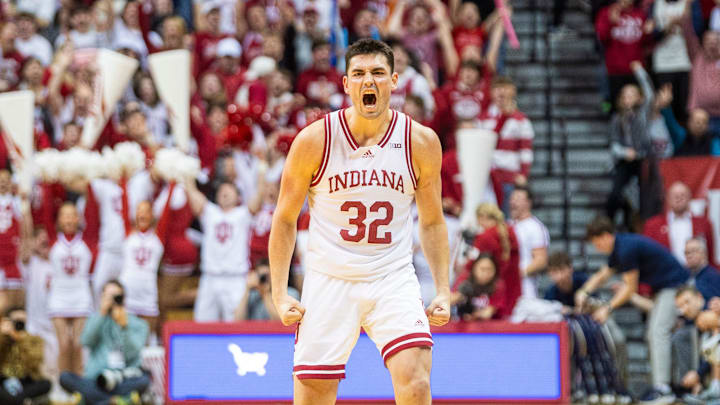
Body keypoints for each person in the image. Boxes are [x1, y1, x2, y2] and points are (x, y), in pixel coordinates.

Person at [269, 39, 450, 405]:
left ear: (394, 80)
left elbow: (432, 222)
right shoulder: (314, 140)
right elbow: (285, 219)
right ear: (346, 83)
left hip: (391, 275)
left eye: (378, 73)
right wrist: (278, 293)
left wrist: (443, 289)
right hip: (329, 278)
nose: (370, 81)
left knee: (416, 380)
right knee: (313, 396)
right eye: (360, 74)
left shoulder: (420, 142)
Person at [579, 216, 690, 403]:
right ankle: (666, 383)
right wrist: (583, 291)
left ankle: (663, 388)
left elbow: (629, 288)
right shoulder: (621, 246)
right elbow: (603, 274)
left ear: (605, 236)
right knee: (654, 334)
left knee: (658, 331)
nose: (597, 248)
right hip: (664, 289)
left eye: (597, 243)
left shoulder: (625, 249)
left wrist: (607, 308)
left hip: (675, 287)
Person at [59, 280, 150, 405]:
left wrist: (124, 327)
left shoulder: (138, 324)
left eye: (116, 297)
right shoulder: (95, 319)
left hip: (122, 379)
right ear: (102, 298)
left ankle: (94, 400)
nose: (112, 301)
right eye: (108, 297)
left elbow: (132, 353)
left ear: (123, 299)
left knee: (144, 380)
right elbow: (86, 341)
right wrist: (101, 314)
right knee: (65, 377)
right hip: (96, 380)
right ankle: (115, 402)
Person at [186, 178, 262, 322]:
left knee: (235, 324)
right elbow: (195, 199)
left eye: (229, 189)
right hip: (210, 277)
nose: (224, 192)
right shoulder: (210, 212)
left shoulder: (243, 214)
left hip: (235, 278)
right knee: (202, 324)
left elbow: (258, 199)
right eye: (221, 190)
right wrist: (186, 176)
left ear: (238, 197)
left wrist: (262, 172)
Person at [643, 181, 715, 265]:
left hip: (696, 275)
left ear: (689, 198)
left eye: (682, 195)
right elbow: (646, 255)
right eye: (675, 196)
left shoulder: (704, 223)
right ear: (668, 199)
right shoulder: (653, 225)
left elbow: (710, 256)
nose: (679, 198)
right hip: (666, 275)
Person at [0, 306, 51, 405]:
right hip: (3, 379)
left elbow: (34, 361)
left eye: (21, 322)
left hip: (25, 380)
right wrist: (3, 337)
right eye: (15, 322)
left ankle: (14, 400)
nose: (18, 325)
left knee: (46, 384)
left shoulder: (33, 339)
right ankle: (18, 401)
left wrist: (20, 339)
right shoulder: (2, 338)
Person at [508, 187, 549, 298]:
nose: (513, 202)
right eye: (512, 198)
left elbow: (541, 260)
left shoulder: (535, 227)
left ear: (528, 203)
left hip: (525, 287)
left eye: (518, 199)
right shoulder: (508, 225)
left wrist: (518, 274)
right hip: (507, 286)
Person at [235, 260, 299, 321]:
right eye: (262, 276)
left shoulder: (290, 294)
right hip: (255, 331)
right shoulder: (252, 295)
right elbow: (238, 320)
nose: (265, 279)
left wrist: (265, 294)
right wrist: (247, 289)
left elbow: (281, 322)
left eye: (268, 275)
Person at [453, 253, 507, 320]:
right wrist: (460, 295)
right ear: (474, 268)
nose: (485, 273)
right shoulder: (465, 279)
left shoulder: (497, 285)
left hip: (487, 326)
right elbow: (450, 299)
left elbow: (488, 312)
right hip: (461, 323)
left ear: (495, 270)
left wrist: (475, 315)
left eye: (489, 269)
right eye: (482, 269)